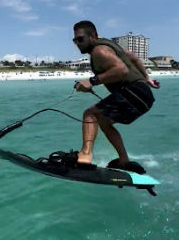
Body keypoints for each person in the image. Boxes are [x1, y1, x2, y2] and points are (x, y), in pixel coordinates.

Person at [53, 20, 160, 174]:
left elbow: (121, 70)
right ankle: (124, 161)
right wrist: (147, 79)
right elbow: (133, 57)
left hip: (132, 93)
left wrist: (92, 81)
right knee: (103, 121)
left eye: (80, 39)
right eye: (75, 40)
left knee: (90, 114)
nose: (77, 43)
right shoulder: (110, 47)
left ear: (93, 36)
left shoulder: (99, 51)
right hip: (144, 95)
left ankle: (85, 155)